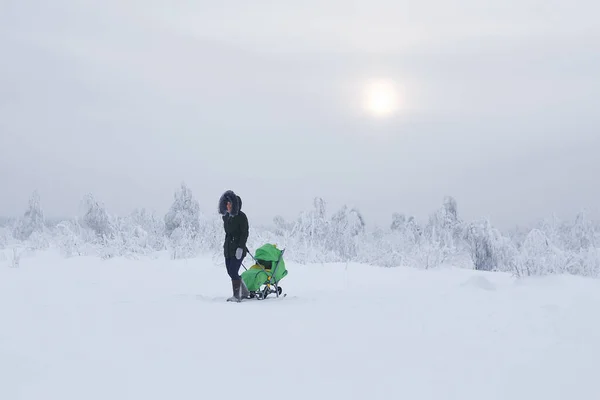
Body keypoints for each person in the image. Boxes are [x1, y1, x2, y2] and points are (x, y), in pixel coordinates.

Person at [218, 190, 251, 301]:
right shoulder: (226, 217)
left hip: (238, 249)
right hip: (228, 249)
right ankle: (245, 292)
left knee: (233, 271)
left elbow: (245, 233)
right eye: (226, 203)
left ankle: (237, 296)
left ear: (235, 204)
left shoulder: (241, 216)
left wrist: (241, 247)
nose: (228, 205)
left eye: (230, 203)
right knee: (230, 272)